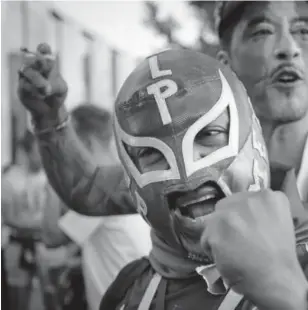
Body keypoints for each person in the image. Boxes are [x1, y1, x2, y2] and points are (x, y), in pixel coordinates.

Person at [17, 44, 308, 309]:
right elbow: (88, 187)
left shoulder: (301, 262)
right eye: (152, 154)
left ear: (250, 133)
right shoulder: (128, 289)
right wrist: (49, 122)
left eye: (209, 135)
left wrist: (284, 291)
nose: (187, 172)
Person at [215, 0, 308, 202]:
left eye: (304, 31)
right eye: (263, 32)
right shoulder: (203, 181)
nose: (289, 49)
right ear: (226, 65)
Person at [2, 130, 46, 310]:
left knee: (49, 297)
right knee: (18, 301)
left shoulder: (50, 177)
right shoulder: (10, 179)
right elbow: (9, 218)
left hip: (46, 247)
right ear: (26, 152)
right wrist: (44, 226)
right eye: (38, 151)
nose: (42, 156)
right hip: (17, 246)